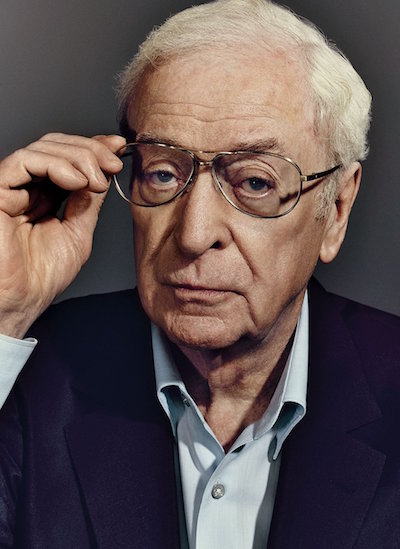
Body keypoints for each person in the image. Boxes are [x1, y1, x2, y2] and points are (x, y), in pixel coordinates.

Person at [0, 0, 399, 547]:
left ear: (336, 209)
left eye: (255, 182)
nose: (193, 234)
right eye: (164, 173)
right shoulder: (29, 376)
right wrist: (6, 311)